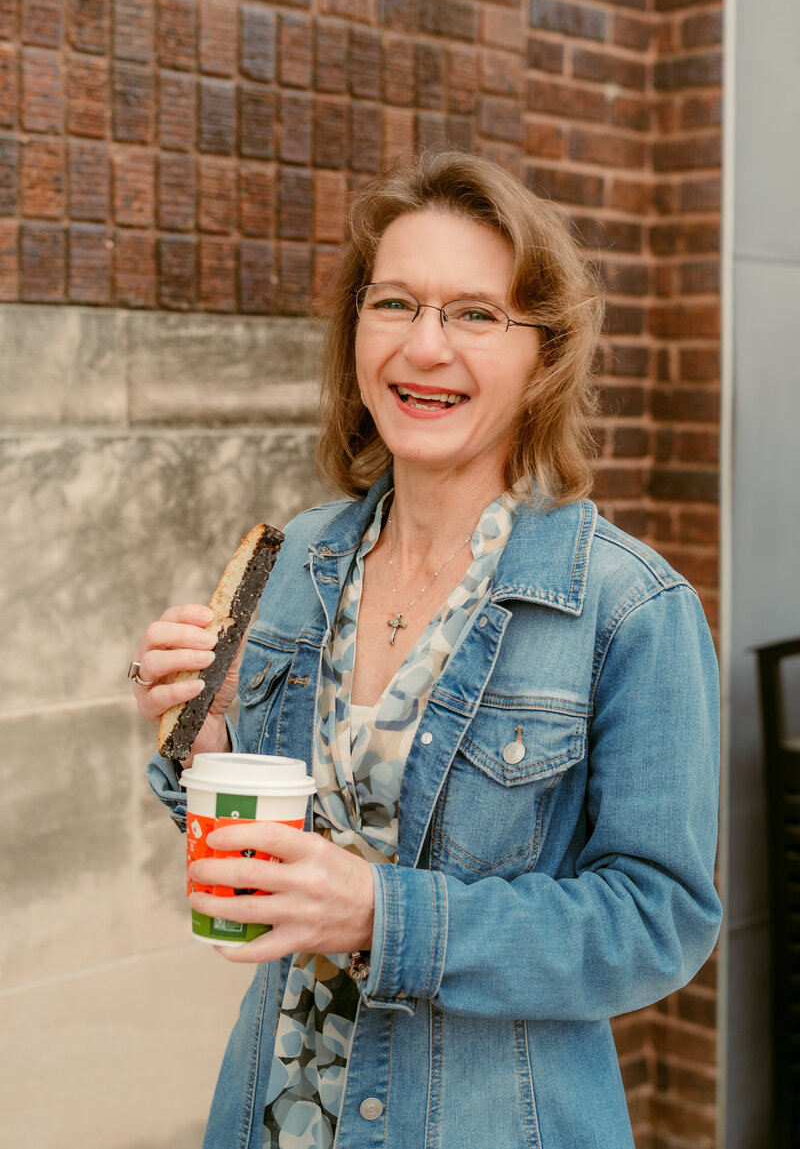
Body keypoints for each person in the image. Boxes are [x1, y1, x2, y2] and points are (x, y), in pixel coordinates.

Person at [134, 150, 722, 1149]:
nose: (423, 346)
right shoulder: (300, 555)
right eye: (394, 303)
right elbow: (253, 847)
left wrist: (384, 913)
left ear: (543, 354)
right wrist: (201, 726)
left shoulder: (627, 608)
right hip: (265, 1117)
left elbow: (656, 923)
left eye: (474, 314)